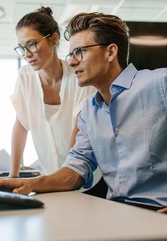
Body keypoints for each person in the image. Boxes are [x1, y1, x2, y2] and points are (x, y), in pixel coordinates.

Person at [0, 12, 167, 214]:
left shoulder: (165, 83)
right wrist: (21, 184)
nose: (71, 60)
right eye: (70, 53)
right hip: (119, 215)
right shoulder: (89, 111)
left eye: (79, 52)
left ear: (110, 52)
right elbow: (74, 172)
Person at [8, 6, 97, 179]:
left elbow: (80, 130)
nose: (26, 54)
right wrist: (13, 175)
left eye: (32, 44)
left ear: (54, 39)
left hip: (84, 177)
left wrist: (65, 177)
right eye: (21, 47)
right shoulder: (25, 77)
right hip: (51, 174)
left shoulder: (79, 77)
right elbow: (21, 124)